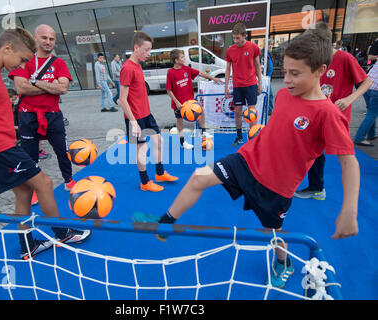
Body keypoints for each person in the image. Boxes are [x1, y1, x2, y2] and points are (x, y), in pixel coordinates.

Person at [133, 26, 360, 288]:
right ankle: (165, 224)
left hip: (276, 186)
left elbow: (349, 161)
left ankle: (283, 262)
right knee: (198, 177)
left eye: (295, 74)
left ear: (320, 71)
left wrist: (349, 209)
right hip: (247, 160)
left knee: (273, 233)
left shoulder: (327, 113)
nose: (286, 79)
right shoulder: (285, 95)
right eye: (284, 72)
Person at [0, 27, 91, 260]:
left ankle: (27, 245)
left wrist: (11, 128)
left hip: (1, 143)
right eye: (21, 60)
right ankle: (62, 234)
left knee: (24, 192)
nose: (21, 67)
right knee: (45, 183)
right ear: (7, 48)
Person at [294, 22, 371, 200]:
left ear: (322, 42)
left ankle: (327, 191)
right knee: (313, 148)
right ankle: (316, 187)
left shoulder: (345, 58)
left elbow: (366, 82)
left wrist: (349, 98)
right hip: (316, 113)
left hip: (336, 116)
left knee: (344, 155)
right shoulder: (315, 58)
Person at [9, 24, 76, 206]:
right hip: (27, 116)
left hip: (53, 115)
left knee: (63, 151)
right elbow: (21, 88)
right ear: (35, 38)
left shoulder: (59, 63)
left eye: (52, 39)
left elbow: (63, 88)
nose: (48, 42)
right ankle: (33, 191)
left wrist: (35, 81)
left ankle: (69, 181)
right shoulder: (23, 60)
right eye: (44, 38)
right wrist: (50, 87)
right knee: (30, 156)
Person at [119, 31, 178, 192]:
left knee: (159, 141)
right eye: (146, 50)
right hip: (135, 118)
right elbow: (122, 99)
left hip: (146, 114)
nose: (149, 53)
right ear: (136, 47)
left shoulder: (138, 66)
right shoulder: (127, 68)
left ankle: (160, 173)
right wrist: (133, 122)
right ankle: (145, 182)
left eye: (150, 49)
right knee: (142, 149)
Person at [166, 49, 222, 149]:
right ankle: (182, 142)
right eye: (182, 57)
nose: (184, 58)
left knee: (201, 112)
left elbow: (200, 73)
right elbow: (169, 90)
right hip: (179, 104)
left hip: (191, 101)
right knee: (180, 122)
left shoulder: (186, 69)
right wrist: (177, 102)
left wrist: (213, 78)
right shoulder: (170, 72)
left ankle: (203, 133)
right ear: (176, 60)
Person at [224, 22, 263, 146]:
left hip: (251, 84)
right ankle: (239, 137)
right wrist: (226, 86)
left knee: (252, 113)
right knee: (237, 112)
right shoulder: (230, 50)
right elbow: (227, 69)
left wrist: (260, 83)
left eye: (238, 38)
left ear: (244, 35)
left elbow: (257, 66)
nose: (235, 40)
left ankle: (253, 139)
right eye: (234, 38)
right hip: (237, 86)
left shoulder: (253, 47)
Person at [354, 62, 378, 146]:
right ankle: (359, 138)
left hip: (367, 87)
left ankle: (371, 134)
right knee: (372, 114)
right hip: (376, 90)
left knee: (371, 112)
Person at [260, 39, 274, 115]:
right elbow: (261, 65)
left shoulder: (268, 53)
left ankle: (269, 110)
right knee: (269, 94)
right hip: (265, 78)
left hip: (268, 77)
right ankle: (269, 111)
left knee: (269, 95)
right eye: (269, 44)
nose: (271, 46)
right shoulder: (263, 54)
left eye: (272, 44)